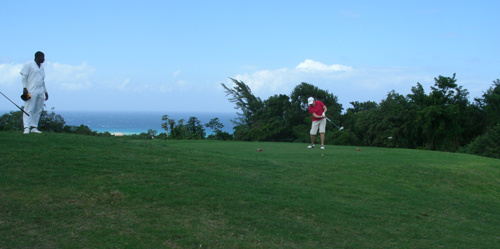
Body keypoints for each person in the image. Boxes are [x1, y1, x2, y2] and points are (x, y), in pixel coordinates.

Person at [20, 51, 49, 134]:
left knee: (38, 109)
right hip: (31, 89)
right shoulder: (29, 64)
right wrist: (24, 87)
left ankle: (34, 127)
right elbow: (24, 76)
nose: (44, 59)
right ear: (38, 57)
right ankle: (26, 127)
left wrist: (45, 91)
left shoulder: (42, 67)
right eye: (43, 57)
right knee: (29, 108)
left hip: (40, 90)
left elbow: (42, 80)